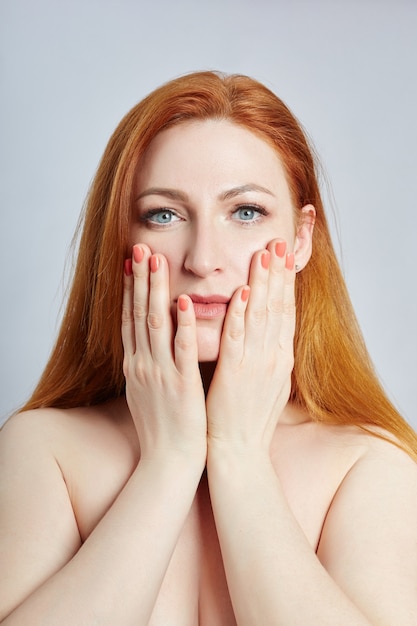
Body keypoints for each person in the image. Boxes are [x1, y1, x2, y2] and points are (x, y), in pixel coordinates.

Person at [0, 70, 416, 626]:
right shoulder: (42, 450)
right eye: (163, 214)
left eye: (246, 212)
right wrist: (168, 463)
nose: (202, 259)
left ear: (300, 239)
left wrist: (240, 457)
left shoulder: (368, 463)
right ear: (121, 239)